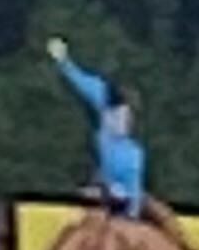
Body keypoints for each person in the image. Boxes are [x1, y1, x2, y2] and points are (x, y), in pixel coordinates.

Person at [47, 38, 147, 217]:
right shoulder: (105, 101)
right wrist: (64, 61)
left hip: (115, 186)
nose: (120, 118)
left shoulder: (131, 153)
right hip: (109, 182)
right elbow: (82, 82)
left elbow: (132, 187)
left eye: (125, 115)